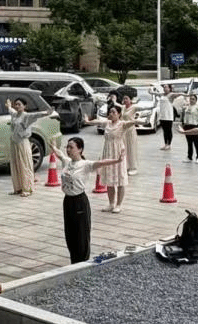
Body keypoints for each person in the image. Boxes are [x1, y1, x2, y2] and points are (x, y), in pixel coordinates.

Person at [52, 134, 123, 263]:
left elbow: (101, 163)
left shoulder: (85, 164)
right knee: (70, 232)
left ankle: (82, 261)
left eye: (71, 147)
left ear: (80, 149)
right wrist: (52, 146)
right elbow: (59, 154)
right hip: (67, 201)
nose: (68, 150)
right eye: (67, 147)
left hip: (79, 201)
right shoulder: (67, 162)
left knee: (81, 233)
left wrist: (117, 160)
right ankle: (74, 259)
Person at [6, 97, 53, 197]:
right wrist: (9, 106)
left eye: (19, 104)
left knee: (25, 165)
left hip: (23, 142)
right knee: (15, 165)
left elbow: (36, 114)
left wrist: (46, 113)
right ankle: (18, 188)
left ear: (24, 106)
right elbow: (11, 111)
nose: (17, 106)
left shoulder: (26, 116)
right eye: (16, 104)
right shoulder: (14, 114)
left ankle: (27, 189)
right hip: (14, 143)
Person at [90, 104, 132, 213]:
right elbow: (97, 122)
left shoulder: (122, 124)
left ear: (119, 114)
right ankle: (111, 203)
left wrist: (140, 121)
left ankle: (119, 204)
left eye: (114, 112)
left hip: (118, 152)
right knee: (109, 179)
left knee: (120, 179)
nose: (111, 114)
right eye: (110, 112)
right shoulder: (107, 123)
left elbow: (133, 122)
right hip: (108, 152)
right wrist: (87, 121)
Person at [178, 93, 198, 163]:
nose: (191, 100)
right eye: (190, 99)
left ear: (196, 100)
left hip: (194, 126)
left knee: (196, 142)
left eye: (193, 99)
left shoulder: (197, 107)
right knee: (189, 143)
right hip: (187, 126)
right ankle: (189, 157)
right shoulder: (187, 107)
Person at [121, 94, 141, 176]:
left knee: (131, 148)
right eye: (124, 98)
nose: (125, 100)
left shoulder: (134, 107)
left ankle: (133, 167)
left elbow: (145, 107)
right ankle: (127, 166)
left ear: (130, 100)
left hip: (131, 130)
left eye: (127, 98)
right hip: (124, 130)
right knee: (124, 148)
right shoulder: (123, 107)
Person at [155, 84, 175, 150]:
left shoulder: (171, 95)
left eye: (166, 87)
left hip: (169, 116)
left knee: (169, 130)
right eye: (164, 87)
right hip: (162, 116)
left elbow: (178, 94)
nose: (165, 88)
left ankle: (169, 144)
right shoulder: (162, 95)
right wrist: (150, 91)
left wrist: (185, 95)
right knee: (164, 131)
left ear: (169, 88)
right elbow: (155, 93)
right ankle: (165, 143)